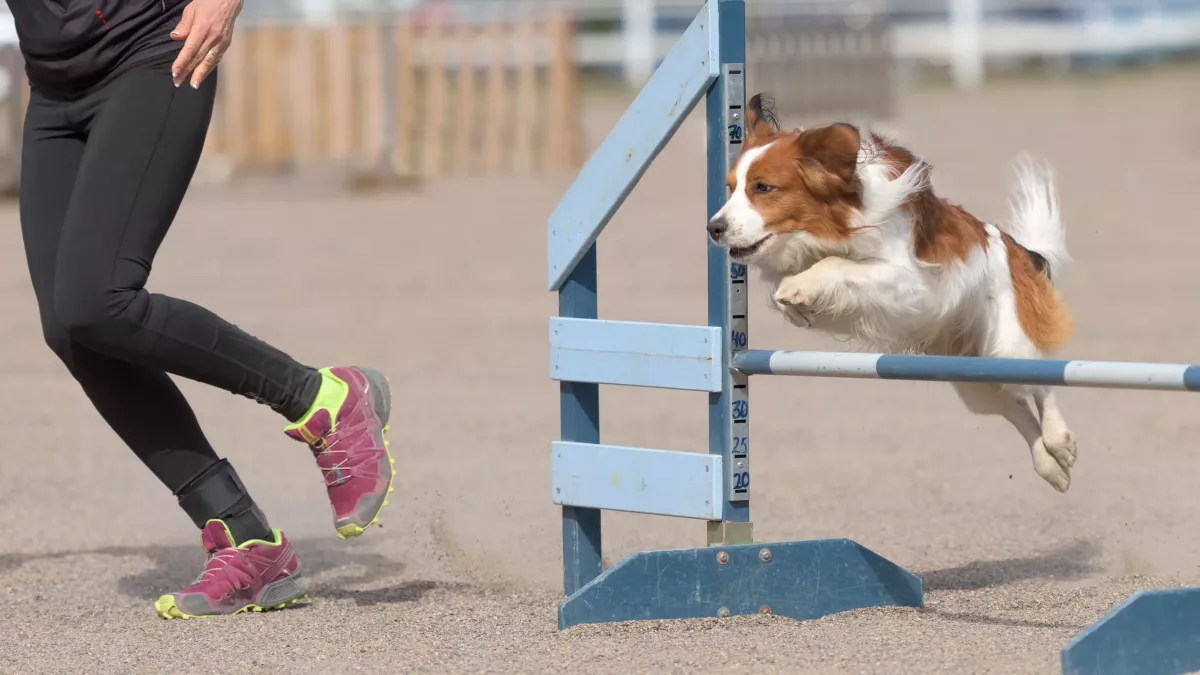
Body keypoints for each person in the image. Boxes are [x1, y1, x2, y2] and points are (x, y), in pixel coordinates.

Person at [8, 0, 396, 618]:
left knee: (97, 299)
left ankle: (321, 398)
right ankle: (243, 537)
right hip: (54, 89)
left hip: (153, 52)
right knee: (72, 328)